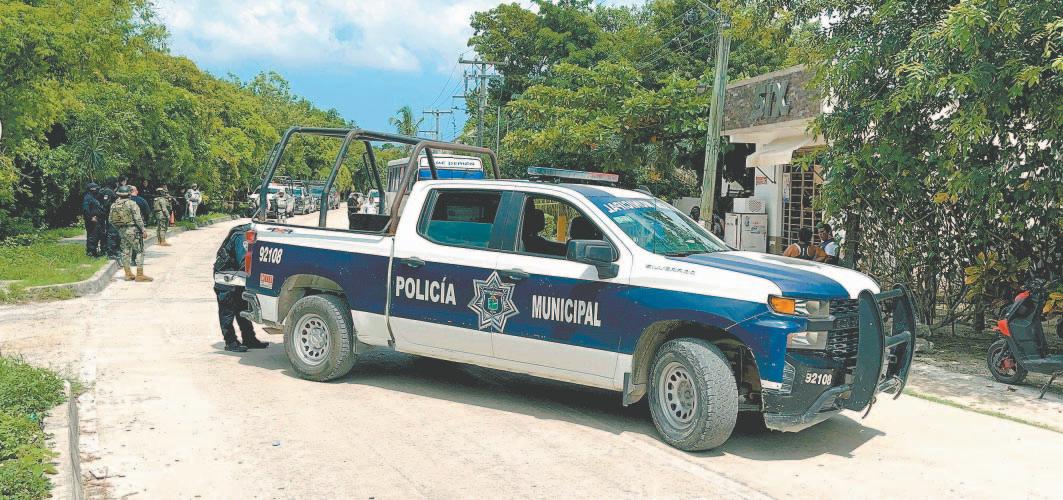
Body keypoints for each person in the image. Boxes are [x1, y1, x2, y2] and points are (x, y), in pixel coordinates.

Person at [213, 223, 269, 352]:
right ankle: (230, 342)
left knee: (242, 307)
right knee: (227, 311)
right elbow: (244, 261)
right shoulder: (242, 236)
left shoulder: (250, 233)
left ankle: (249, 339)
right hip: (226, 277)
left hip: (237, 277)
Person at [109, 185, 153, 282]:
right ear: (129, 194)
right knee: (140, 251)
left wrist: (119, 229)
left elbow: (110, 220)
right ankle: (140, 275)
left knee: (125, 252)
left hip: (121, 231)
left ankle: (128, 274)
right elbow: (138, 218)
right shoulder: (132, 204)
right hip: (133, 230)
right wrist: (143, 230)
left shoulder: (114, 205)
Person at [81, 183, 105, 257]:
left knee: (96, 236)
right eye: (96, 188)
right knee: (92, 236)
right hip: (92, 221)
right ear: (92, 189)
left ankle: (94, 252)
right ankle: (90, 253)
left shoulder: (93, 197)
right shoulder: (87, 197)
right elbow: (85, 209)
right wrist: (90, 218)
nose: (98, 190)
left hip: (96, 220)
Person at [98, 184, 120, 259]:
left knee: (106, 233)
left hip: (105, 215)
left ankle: (105, 249)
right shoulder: (108, 191)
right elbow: (106, 204)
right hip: (108, 215)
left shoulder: (104, 191)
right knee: (111, 233)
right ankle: (110, 252)